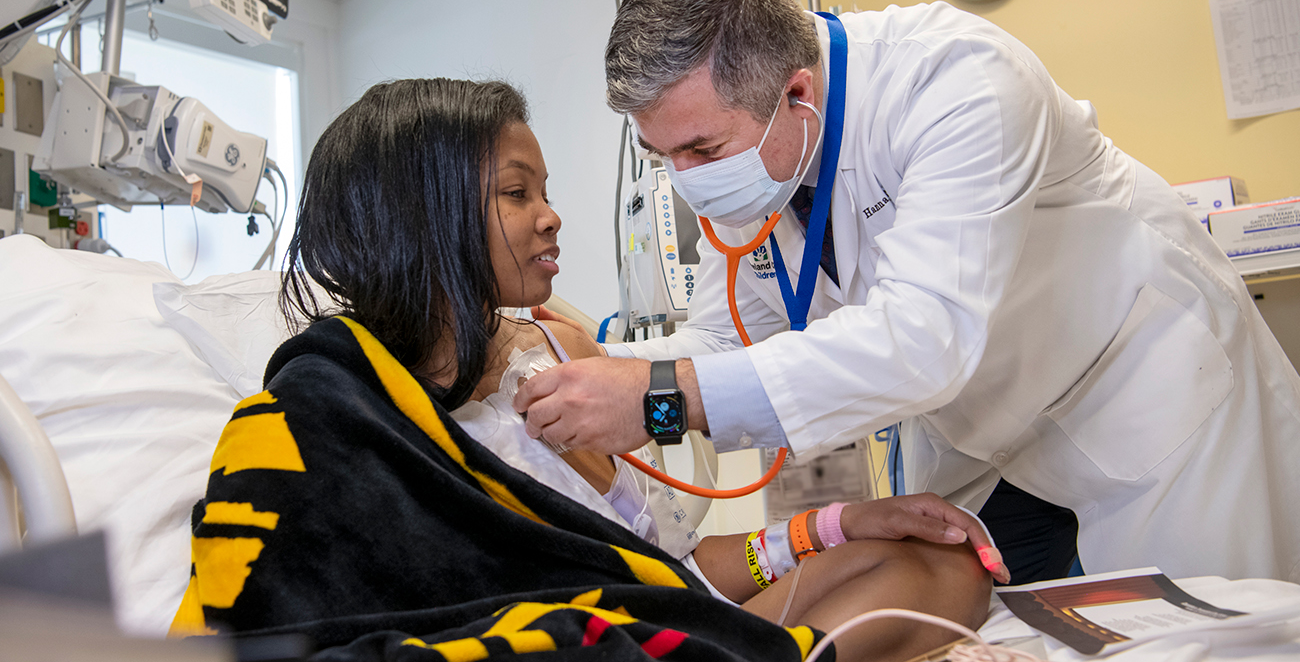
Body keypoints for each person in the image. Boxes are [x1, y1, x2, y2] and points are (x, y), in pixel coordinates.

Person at [515, 0, 1300, 586]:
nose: (685, 182)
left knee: (1207, 626)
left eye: (700, 151)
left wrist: (660, 399)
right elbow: (730, 340)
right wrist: (587, 371)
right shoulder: (757, 163)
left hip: (1139, 379)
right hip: (981, 430)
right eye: (663, 155)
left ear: (797, 95)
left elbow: (922, 338)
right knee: (964, 615)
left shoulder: (959, 82)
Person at [170, 77, 996, 662]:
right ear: (421, 219)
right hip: (573, 641)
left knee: (947, 567)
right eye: (516, 193)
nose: (551, 215)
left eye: (545, 189)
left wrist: (835, 526)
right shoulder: (327, 410)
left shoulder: (554, 354)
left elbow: (659, 572)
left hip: (658, 624)